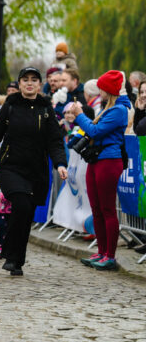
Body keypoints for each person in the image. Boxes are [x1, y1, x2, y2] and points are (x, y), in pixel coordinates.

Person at [0, 67, 68, 277]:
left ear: (39, 84)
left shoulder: (45, 108)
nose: (29, 83)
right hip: (10, 166)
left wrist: (60, 163)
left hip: (36, 170)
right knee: (21, 204)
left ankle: (17, 260)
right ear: (20, 83)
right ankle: (10, 253)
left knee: (26, 214)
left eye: (34, 80)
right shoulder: (11, 105)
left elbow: (55, 140)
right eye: (25, 80)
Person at [70, 71, 129, 271]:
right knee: (96, 209)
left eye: (102, 88)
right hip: (96, 160)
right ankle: (101, 252)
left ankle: (109, 256)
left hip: (109, 160)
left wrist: (80, 115)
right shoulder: (108, 108)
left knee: (107, 209)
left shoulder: (119, 109)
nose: (99, 91)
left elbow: (95, 131)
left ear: (109, 90)